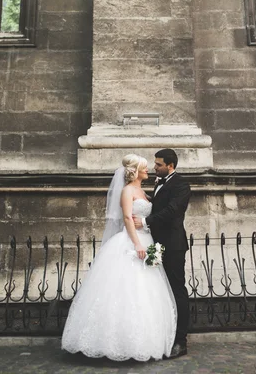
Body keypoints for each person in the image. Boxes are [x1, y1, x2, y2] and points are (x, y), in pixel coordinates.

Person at [61, 154, 177, 361]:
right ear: (135, 171)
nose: (148, 170)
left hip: (147, 239)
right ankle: (113, 343)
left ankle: (143, 342)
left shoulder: (142, 191)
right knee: (123, 289)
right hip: (133, 243)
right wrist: (137, 244)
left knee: (146, 291)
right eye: (144, 168)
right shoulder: (127, 190)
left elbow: (144, 216)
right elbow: (126, 218)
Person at [133, 148, 191, 358]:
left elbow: (173, 211)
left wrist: (146, 221)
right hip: (156, 243)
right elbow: (159, 205)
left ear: (170, 166)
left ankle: (181, 341)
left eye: (158, 164)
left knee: (177, 290)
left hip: (173, 245)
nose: (154, 167)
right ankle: (164, 334)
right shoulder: (159, 182)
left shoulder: (182, 185)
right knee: (160, 291)